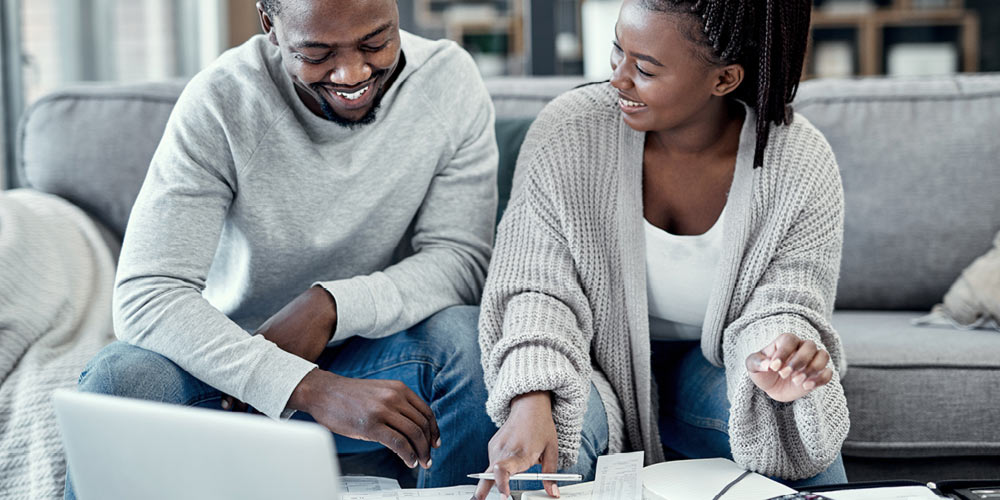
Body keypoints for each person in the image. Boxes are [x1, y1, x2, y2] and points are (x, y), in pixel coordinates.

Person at [64, 0, 498, 497]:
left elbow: (461, 260)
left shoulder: (447, 80)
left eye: (375, 43)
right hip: (234, 365)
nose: (352, 73)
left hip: (380, 355)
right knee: (119, 381)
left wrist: (330, 307)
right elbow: (147, 292)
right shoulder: (223, 100)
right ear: (270, 26)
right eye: (316, 53)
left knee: (468, 340)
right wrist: (303, 385)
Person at [474, 0, 849, 498]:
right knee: (547, 438)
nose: (618, 80)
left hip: (719, 366)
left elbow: (788, 299)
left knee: (790, 420)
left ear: (724, 79)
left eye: (645, 68)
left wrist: (781, 358)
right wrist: (530, 392)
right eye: (617, 51)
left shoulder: (798, 160)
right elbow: (535, 288)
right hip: (588, 362)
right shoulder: (569, 130)